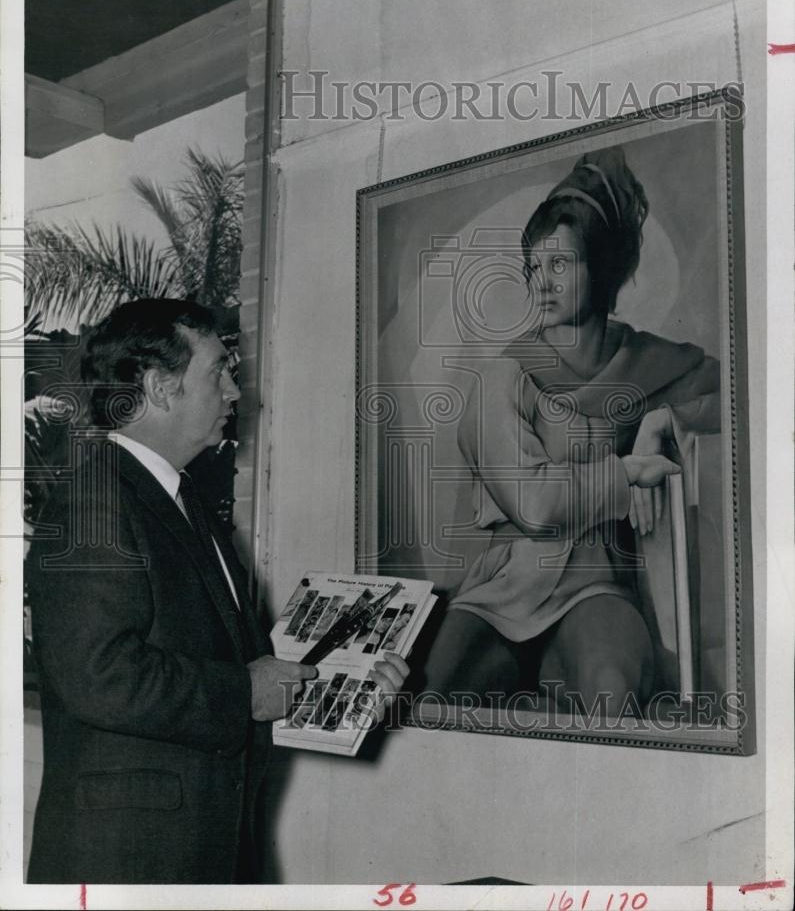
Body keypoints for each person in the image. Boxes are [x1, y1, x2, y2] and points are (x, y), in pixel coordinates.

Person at [26, 299, 409, 884]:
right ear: (159, 386)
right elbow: (98, 674)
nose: (235, 392)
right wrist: (245, 693)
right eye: (219, 372)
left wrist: (345, 690)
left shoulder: (183, 503)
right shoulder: (94, 499)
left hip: (202, 848)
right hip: (127, 862)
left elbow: (233, 672)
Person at [424, 146, 720, 715]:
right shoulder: (501, 376)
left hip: (599, 581)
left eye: (560, 264)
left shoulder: (645, 360)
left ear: (600, 265)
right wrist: (629, 470)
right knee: (429, 694)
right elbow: (534, 506)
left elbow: (745, 394)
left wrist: (668, 419)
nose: (542, 282)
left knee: (613, 687)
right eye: (535, 267)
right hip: (502, 588)